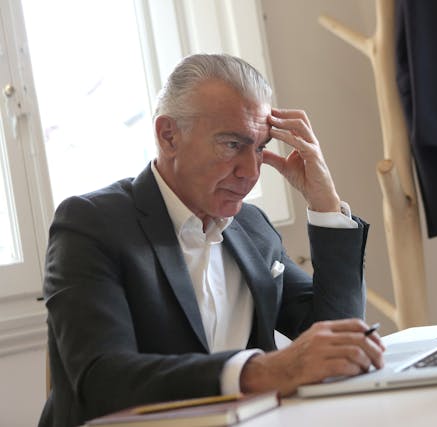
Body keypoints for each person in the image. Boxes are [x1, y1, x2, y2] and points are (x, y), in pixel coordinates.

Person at [39, 53, 384, 427]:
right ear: (168, 136)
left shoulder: (252, 227)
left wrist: (325, 202)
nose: (251, 172)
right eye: (232, 145)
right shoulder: (90, 224)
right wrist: (259, 371)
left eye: (259, 147)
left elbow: (337, 338)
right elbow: (102, 380)